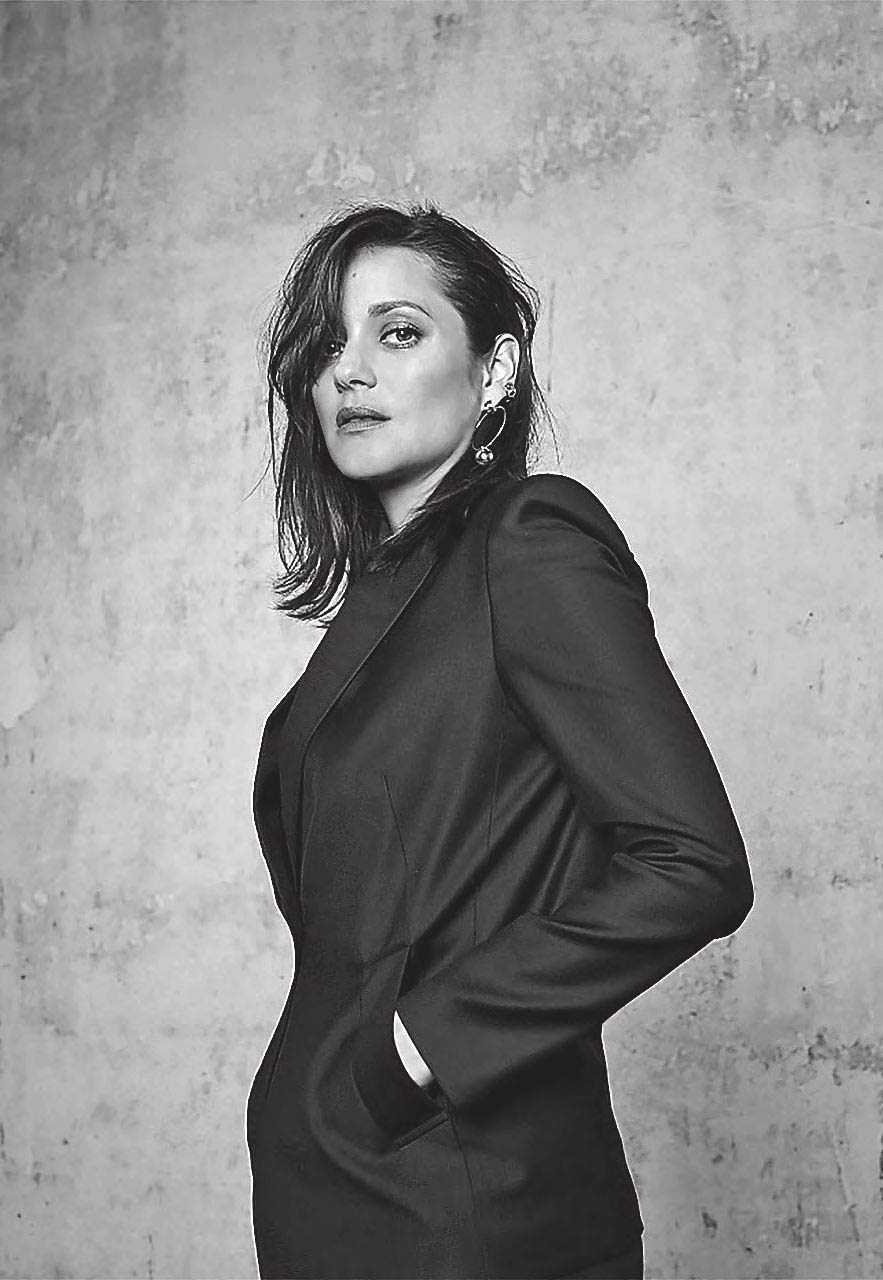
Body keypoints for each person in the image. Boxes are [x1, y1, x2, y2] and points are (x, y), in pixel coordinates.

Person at [245, 200, 754, 1280]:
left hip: (467, 1200)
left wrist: (416, 1050)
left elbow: (691, 863)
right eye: (328, 344)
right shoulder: (384, 609)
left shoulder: (527, 540)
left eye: (397, 331)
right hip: (332, 1192)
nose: (350, 371)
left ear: (495, 369)